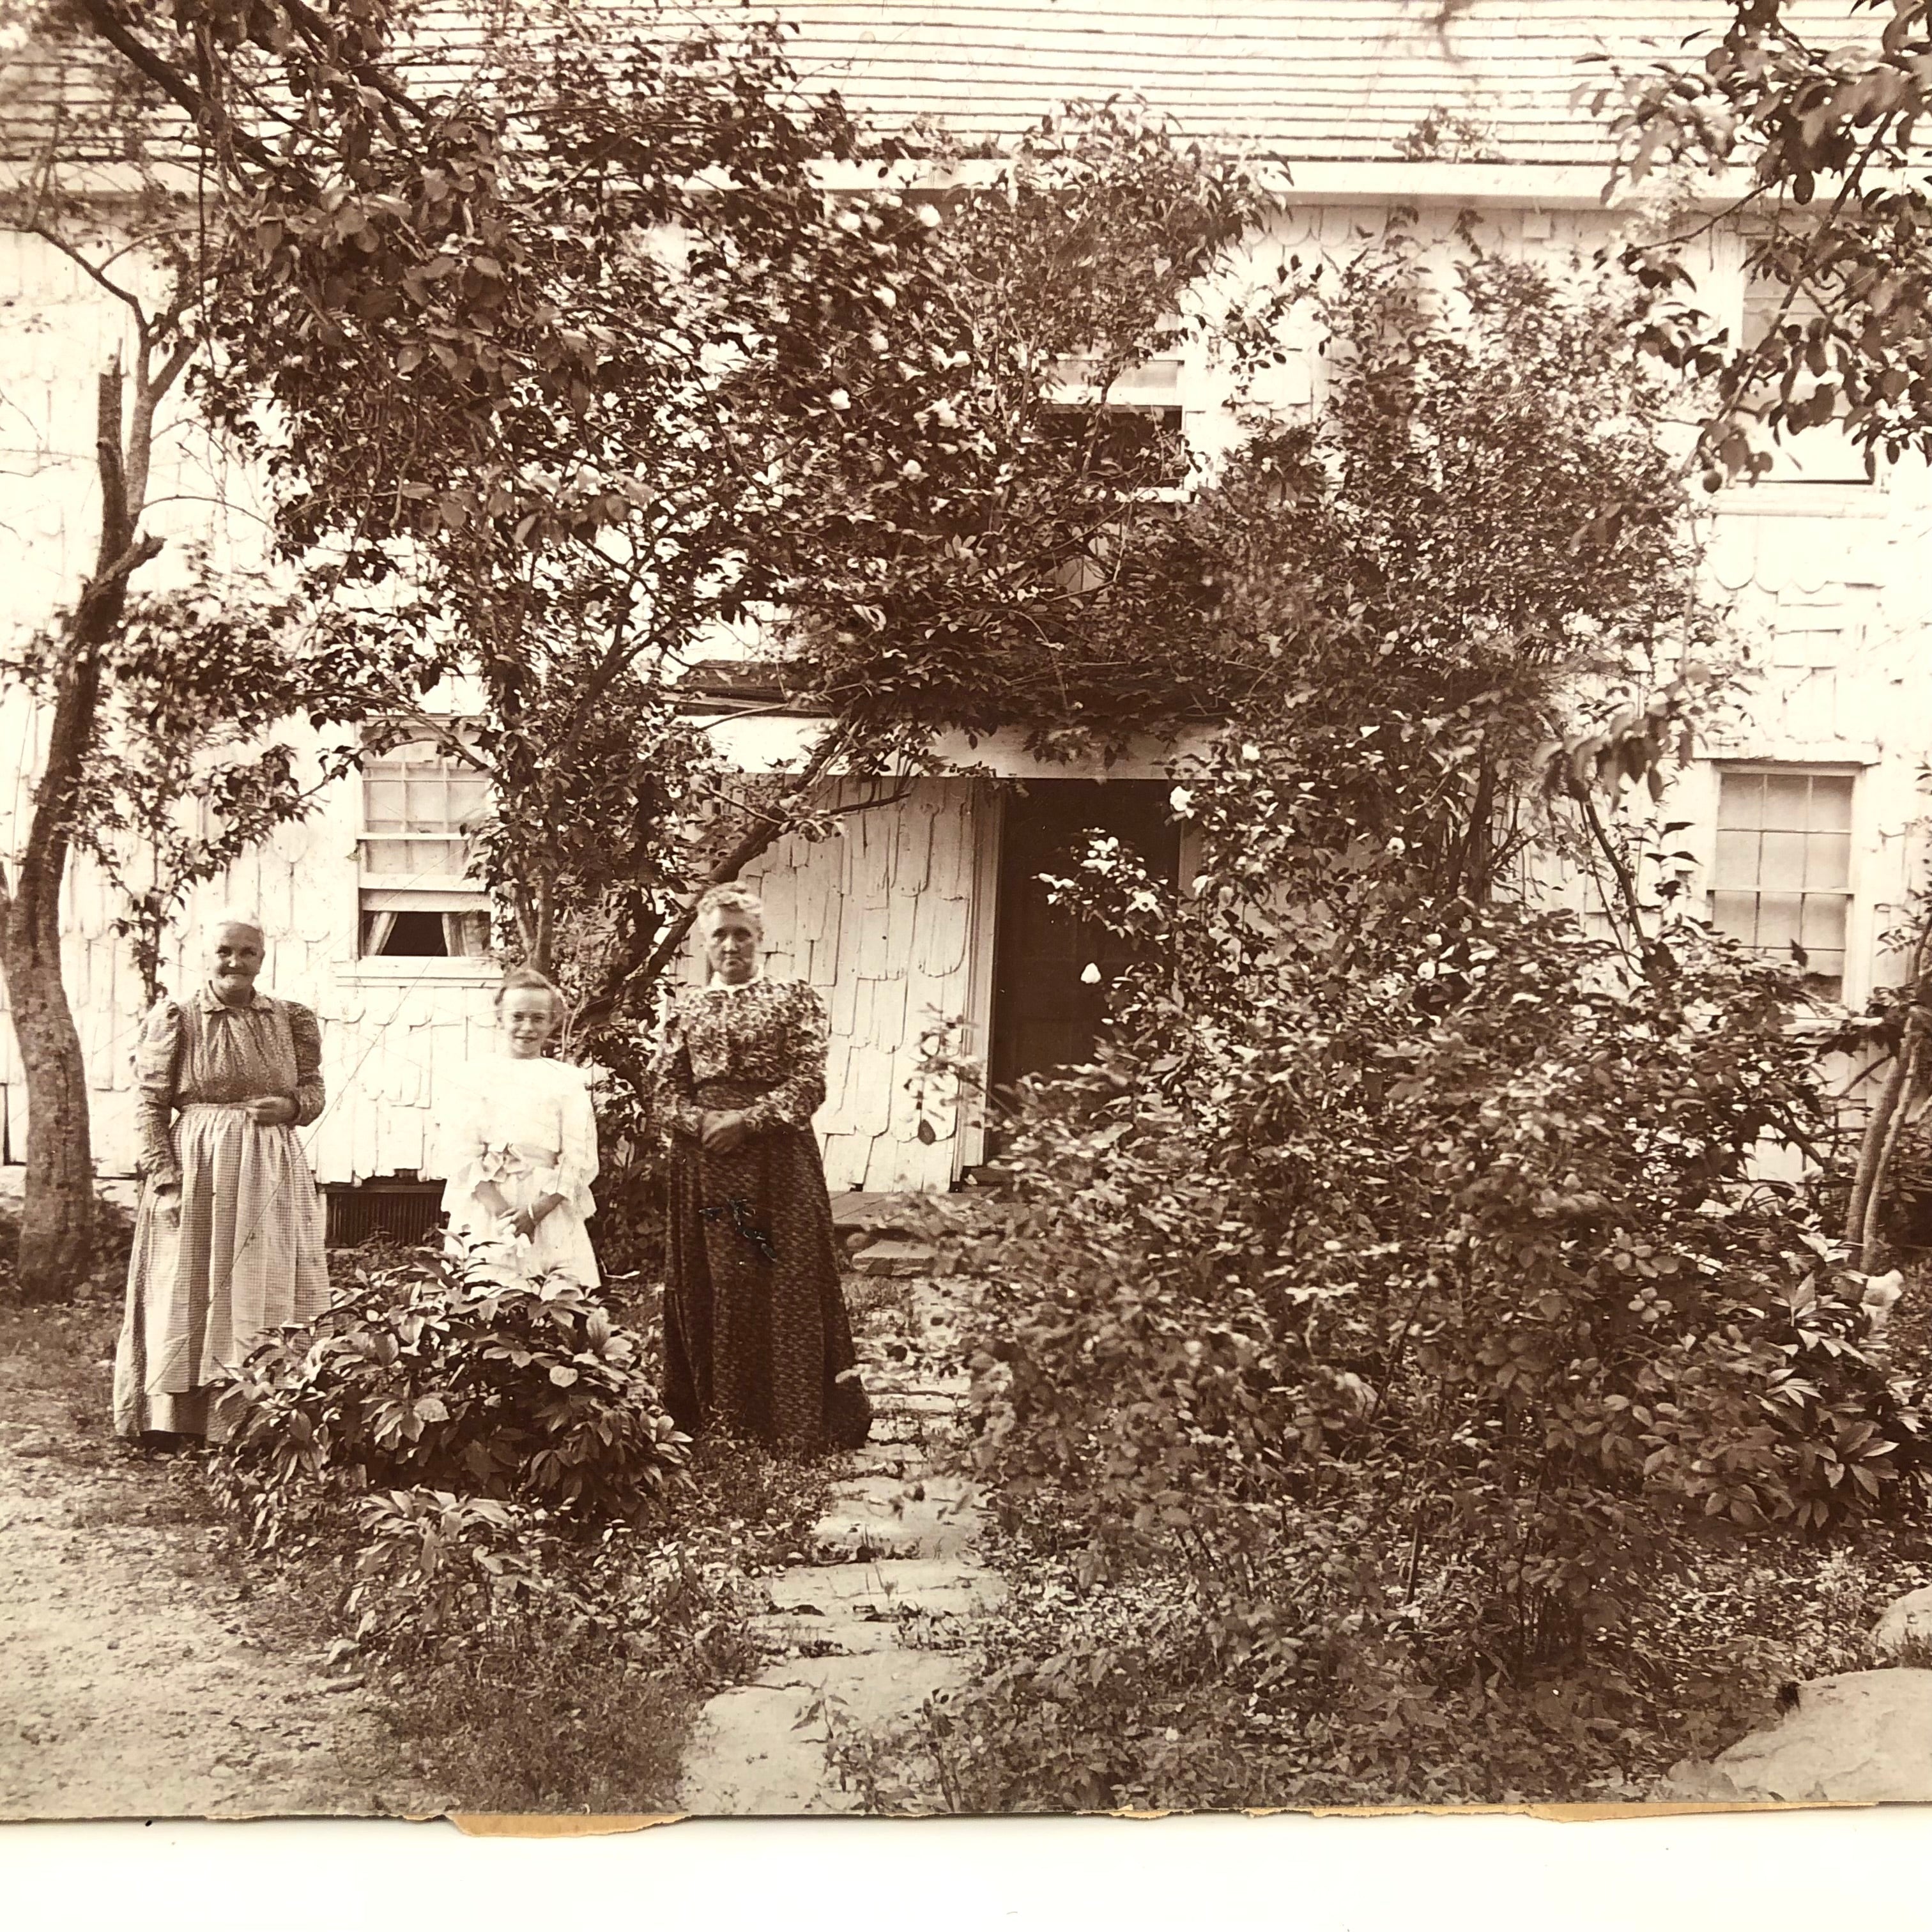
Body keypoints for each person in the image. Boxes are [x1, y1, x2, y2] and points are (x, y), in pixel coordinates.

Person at [654, 884, 871, 1452]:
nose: (731, 946)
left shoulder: (793, 998)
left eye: (742, 934)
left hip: (778, 1162)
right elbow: (664, 1092)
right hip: (705, 1164)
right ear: (704, 942)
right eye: (719, 936)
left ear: (761, 939)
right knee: (719, 1282)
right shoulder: (686, 1008)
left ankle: (791, 1420)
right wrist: (700, 1122)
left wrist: (748, 1122)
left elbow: (809, 1082)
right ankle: (721, 1416)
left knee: (786, 1278)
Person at [114, 913, 330, 1445]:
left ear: (263, 958)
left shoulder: (291, 1019)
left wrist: (292, 1107)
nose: (236, 962)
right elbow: (149, 1105)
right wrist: (166, 1180)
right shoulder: (178, 1017)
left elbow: (313, 1090)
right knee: (185, 1284)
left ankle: (267, 1416)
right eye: (224, 951)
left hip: (270, 1167)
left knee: (268, 1281)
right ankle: (175, 1420)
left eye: (247, 952)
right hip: (200, 1168)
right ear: (206, 956)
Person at [438, 966, 601, 1284]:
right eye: (518, 1017)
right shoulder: (473, 1076)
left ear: (552, 1022)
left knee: (555, 1291)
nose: (527, 1027)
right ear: (500, 1018)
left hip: (547, 1205)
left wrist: (534, 1213)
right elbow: (459, 1151)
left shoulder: (566, 1081)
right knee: (486, 1285)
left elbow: (578, 1156)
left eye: (538, 1018)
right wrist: (504, 1216)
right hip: (488, 1203)